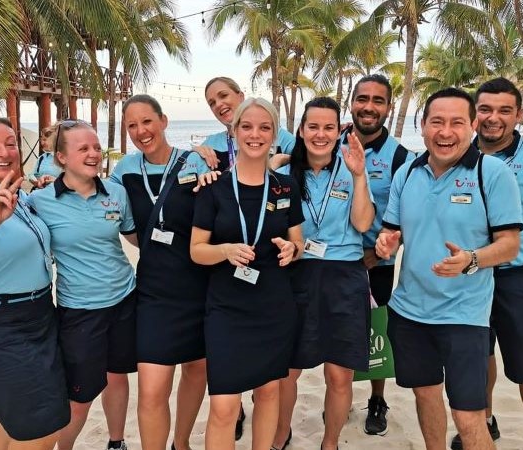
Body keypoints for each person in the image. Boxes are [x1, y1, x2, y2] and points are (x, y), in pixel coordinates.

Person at [376, 87, 523, 450]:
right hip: (409, 313)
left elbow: (509, 244)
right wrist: (387, 242)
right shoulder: (407, 173)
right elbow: (393, 231)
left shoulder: (492, 173)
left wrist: (471, 260)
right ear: (422, 125)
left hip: (464, 317)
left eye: (457, 122)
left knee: (468, 415)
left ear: (472, 125)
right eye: (437, 122)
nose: (446, 132)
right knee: (425, 398)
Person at [190, 97, 304, 450]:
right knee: (224, 406)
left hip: (274, 305)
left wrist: (291, 249)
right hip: (227, 308)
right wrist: (224, 251)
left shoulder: (286, 187)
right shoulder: (214, 188)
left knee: (269, 392)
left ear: (274, 135)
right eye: (247, 127)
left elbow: (298, 242)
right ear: (235, 132)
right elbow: (196, 250)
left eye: (264, 127)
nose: (255, 134)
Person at [27, 119, 138, 450]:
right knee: (80, 395)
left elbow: (133, 236)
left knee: (118, 378)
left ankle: (116, 443)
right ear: (61, 157)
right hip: (80, 312)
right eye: (83, 149)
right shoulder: (40, 200)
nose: (94, 154)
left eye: (96, 148)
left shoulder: (116, 192)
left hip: (125, 299)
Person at [272, 97, 375, 450]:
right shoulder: (283, 174)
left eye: (329, 127)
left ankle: (330, 442)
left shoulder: (351, 168)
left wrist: (360, 176)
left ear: (339, 130)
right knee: (287, 370)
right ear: (300, 131)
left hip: (344, 276)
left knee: (339, 373)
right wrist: (274, 162)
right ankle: (281, 433)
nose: (320, 134)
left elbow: (362, 223)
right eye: (313, 127)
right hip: (295, 273)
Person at [110, 94, 210, 450]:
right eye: (132, 125)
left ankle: (180, 443)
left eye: (147, 121)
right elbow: (115, 217)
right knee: (152, 390)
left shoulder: (194, 162)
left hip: (201, 287)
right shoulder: (123, 171)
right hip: (154, 291)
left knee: (196, 371)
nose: (141, 131)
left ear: (164, 121)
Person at [0, 117, 70, 450]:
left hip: (41, 315)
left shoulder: (17, 192)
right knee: (41, 428)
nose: (4, 151)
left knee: (18, 421)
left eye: (11, 142)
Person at [450, 77, 523, 450]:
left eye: (504, 110)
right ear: (473, 114)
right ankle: (485, 420)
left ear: (519, 114)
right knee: (477, 356)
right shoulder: (457, 155)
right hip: (467, 274)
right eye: (485, 109)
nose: (493, 117)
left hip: (518, 278)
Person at [342, 74, 415, 436]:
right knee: (335, 333)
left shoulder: (402, 156)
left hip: (376, 263)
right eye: (362, 98)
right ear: (351, 102)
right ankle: (337, 397)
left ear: (388, 107)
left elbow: (408, 215)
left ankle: (376, 399)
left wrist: (378, 251)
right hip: (333, 262)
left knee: (376, 335)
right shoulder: (329, 141)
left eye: (378, 100)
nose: (368, 106)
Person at [196, 76, 295, 173]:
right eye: (212, 103)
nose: (218, 104)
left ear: (241, 97)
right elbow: (187, 175)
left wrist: (278, 161)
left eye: (223, 95)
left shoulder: (278, 135)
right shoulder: (211, 144)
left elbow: (306, 160)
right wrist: (194, 153)